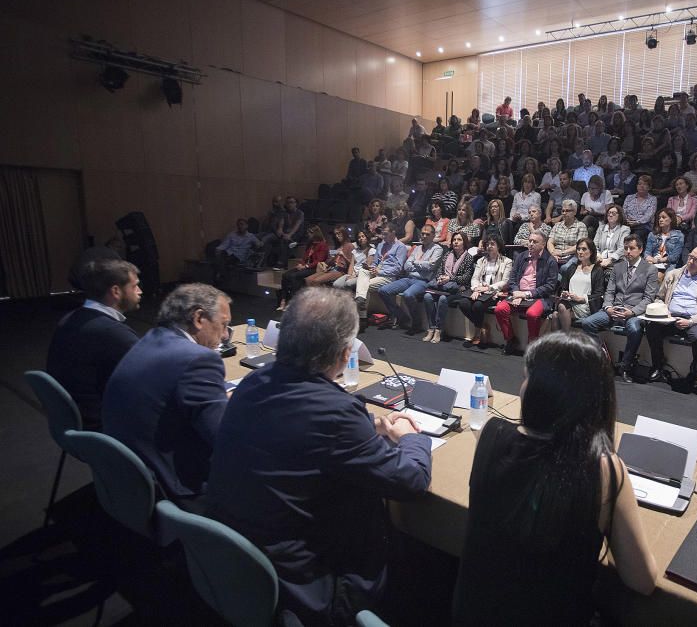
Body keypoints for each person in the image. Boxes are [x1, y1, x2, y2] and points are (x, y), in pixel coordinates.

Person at [207, 288, 430, 624]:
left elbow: (301, 421)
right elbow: (411, 481)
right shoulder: (337, 414)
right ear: (344, 354)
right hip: (308, 585)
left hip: (237, 561)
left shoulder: (254, 382)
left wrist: (371, 424)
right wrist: (413, 439)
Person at [453, 331, 656, 624]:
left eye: (526, 378)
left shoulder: (490, 433)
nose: (522, 388)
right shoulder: (605, 470)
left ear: (542, 391)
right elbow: (642, 580)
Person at [103, 284, 231, 508]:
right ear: (198, 318)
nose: (225, 335)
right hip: (173, 485)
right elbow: (225, 437)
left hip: (127, 474)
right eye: (224, 325)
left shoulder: (151, 338)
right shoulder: (198, 359)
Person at [46, 259, 142, 430]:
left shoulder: (71, 319)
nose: (140, 291)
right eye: (135, 286)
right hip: (101, 426)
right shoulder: (113, 333)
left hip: (70, 420)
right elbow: (154, 377)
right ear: (115, 291)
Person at [580, 234, 659, 383]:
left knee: (635, 329)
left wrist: (632, 312)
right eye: (626, 248)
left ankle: (625, 366)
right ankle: (602, 358)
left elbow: (649, 298)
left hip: (634, 312)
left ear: (640, 249)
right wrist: (608, 307)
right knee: (587, 323)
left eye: (632, 248)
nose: (628, 251)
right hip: (614, 309)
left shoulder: (650, 269)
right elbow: (609, 291)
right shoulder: (618, 267)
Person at [644, 246, 697, 388]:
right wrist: (662, 311)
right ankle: (657, 365)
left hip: (695, 319)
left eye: (696, 260)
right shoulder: (673, 274)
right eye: (690, 257)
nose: (691, 261)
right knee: (651, 327)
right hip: (670, 316)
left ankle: (694, 372)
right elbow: (659, 297)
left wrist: (690, 321)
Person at [494, 230, 559, 354]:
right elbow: (512, 280)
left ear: (543, 244)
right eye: (530, 241)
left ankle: (532, 344)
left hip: (540, 297)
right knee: (500, 309)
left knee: (532, 314)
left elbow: (550, 286)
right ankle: (510, 339)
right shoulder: (521, 256)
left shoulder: (550, 261)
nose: (531, 244)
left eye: (535, 242)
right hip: (519, 294)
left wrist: (527, 294)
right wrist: (517, 292)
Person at [378, 225, 444, 333]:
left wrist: (415, 262)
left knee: (408, 295)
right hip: (408, 278)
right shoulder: (417, 248)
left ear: (433, 236)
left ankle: (416, 323)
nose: (424, 236)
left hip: (423, 281)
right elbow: (406, 266)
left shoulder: (437, 249)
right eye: (422, 233)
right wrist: (420, 265)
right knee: (383, 290)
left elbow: (431, 266)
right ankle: (401, 316)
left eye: (427, 234)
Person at [458, 236, 512, 348]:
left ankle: (477, 332)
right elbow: (474, 278)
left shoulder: (507, 261)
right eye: (487, 244)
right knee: (463, 303)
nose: (489, 246)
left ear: (499, 246)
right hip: (479, 290)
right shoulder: (480, 260)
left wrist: (488, 288)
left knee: (477, 305)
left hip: (494, 293)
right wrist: (477, 288)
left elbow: (505, 282)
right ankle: (482, 326)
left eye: (492, 244)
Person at [423, 232, 474, 343]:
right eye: (454, 239)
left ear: (464, 242)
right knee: (427, 296)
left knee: (442, 299)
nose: (456, 241)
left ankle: (438, 330)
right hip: (443, 287)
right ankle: (431, 328)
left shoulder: (469, 258)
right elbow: (439, 271)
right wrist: (440, 278)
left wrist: (450, 279)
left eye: (459, 239)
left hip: (458, 289)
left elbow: (466, 278)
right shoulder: (447, 255)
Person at [354, 224, 408, 322]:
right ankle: (361, 299)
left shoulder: (401, 247)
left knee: (365, 286)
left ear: (393, 233)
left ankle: (362, 316)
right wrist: (372, 268)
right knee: (363, 270)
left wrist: (380, 271)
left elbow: (398, 269)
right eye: (382, 234)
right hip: (377, 271)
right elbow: (375, 262)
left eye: (386, 234)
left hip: (389, 276)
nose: (383, 237)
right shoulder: (381, 245)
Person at [554, 238, 605, 331]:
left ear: (592, 252)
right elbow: (563, 288)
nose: (580, 252)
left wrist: (581, 298)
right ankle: (564, 342)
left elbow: (599, 294)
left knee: (558, 312)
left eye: (584, 249)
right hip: (569, 303)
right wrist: (564, 294)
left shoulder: (597, 270)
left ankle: (564, 341)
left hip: (585, 305)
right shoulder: (572, 267)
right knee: (556, 313)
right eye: (578, 249)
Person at [275, 225, 329, 312]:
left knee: (294, 277)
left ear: (315, 234)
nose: (308, 236)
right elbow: (305, 257)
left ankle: (293, 301)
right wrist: (301, 264)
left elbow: (319, 260)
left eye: (310, 234)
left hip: (314, 268)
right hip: (305, 266)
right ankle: (283, 300)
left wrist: (306, 266)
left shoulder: (322, 245)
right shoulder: (310, 244)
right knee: (285, 275)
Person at [261, 196, 305, 269]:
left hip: (296, 234)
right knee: (266, 239)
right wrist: (280, 230)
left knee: (284, 241)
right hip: (284, 234)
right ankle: (263, 262)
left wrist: (289, 235)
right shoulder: (284, 213)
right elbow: (281, 224)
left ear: (296, 203)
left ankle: (281, 262)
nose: (289, 204)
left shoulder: (300, 213)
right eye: (288, 203)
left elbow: (296, 227)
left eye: (291, 202)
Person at [548, 199, 589, 274]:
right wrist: (553, 253)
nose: (564, 213)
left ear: (574, 212)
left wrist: (562, 253)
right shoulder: (557, 225)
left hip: (573, 255)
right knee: (546, 265)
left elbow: (579, 245)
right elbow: (550, 242)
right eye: (563, 211)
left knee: (565, 268)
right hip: (555, 255)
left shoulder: (580, 226)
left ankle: (560, 285)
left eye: (567, 211)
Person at [623, 175, 657, 244]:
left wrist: (637, 222)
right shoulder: (629, 197)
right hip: (628, 224)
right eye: (639, 184)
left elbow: (649, 216)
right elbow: (624, 211)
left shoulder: (652, 199)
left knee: (634, 237)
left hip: (643, 226)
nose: (641, 186)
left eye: (645, 184)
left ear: (649, 187)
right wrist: (627, 220)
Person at [593, 204, 629, 268]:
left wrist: (610, 259)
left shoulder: (624, 229)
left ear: (619, 216)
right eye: (609, 213)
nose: (610, 215)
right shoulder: (601, 228)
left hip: (617, 260)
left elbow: (622, 248)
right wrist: (598, 256)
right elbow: (594, 245)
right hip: (600, 259)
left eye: (614, 213)